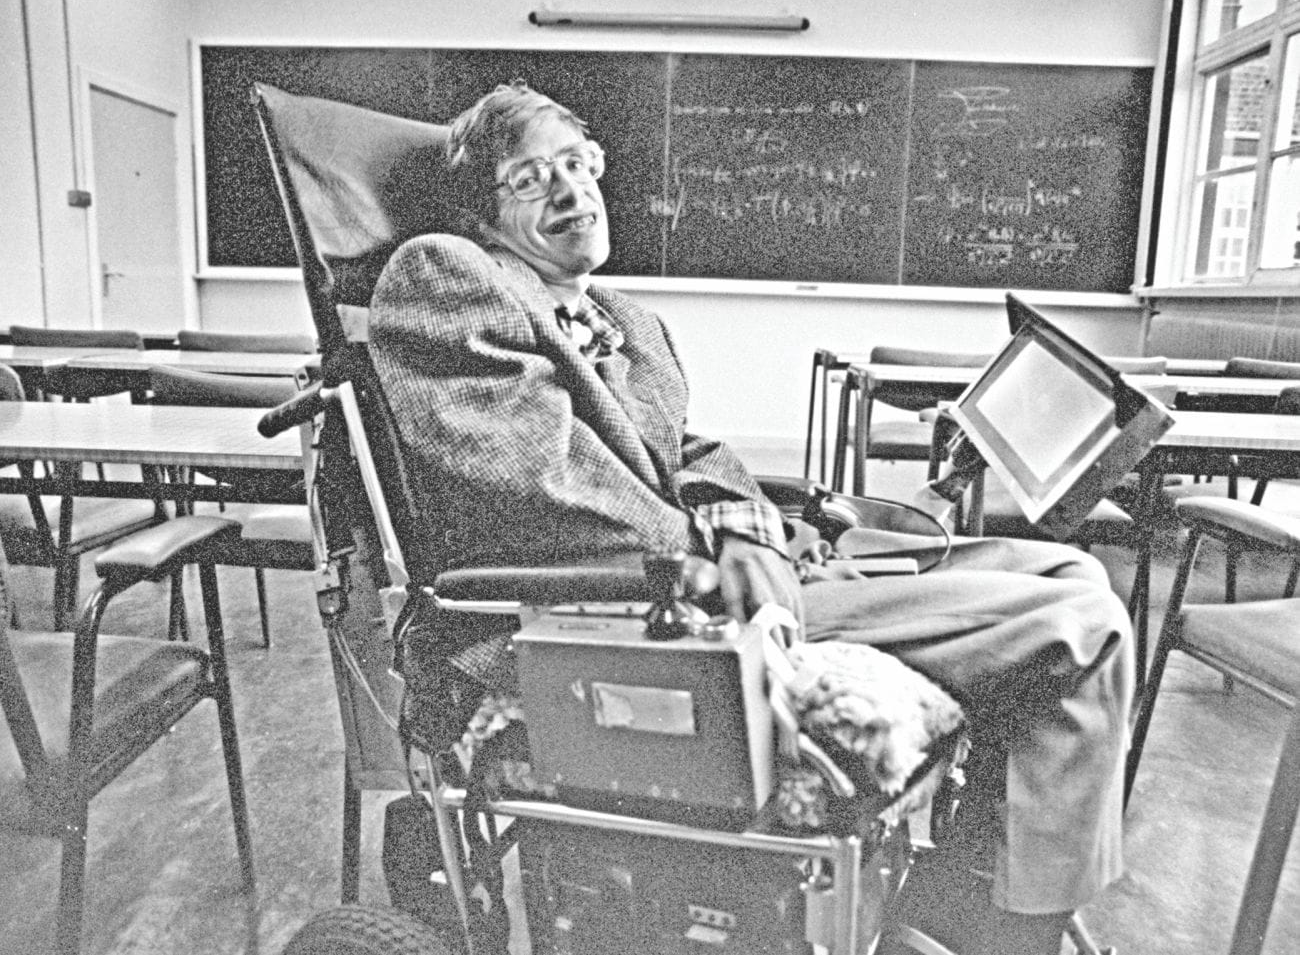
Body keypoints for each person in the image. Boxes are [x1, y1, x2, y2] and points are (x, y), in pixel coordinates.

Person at [369, 81, 1134, 955]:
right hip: (622, 607)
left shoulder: (623, 316)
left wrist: (746, 526)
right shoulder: (445, 275)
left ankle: (957, 890)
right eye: (530, 178)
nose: (571, 192)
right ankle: (1005, 933)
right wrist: (710, 556)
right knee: (1082, 626)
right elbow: (537, 484)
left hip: (709, 570)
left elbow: (686, 449)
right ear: (482, 215)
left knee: (1071, 569)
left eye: (578, 165)